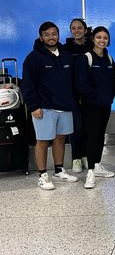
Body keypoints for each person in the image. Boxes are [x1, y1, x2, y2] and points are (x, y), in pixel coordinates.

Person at [22, 21, 79, 190]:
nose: (51, 37)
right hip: (44, 107)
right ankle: (42, 174)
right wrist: (34, 106)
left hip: (64, 106)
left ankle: (59, 170)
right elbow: (27, 84)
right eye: (46, 34)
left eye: (54, 34)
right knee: (42, 141)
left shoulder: (66, 55)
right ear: (41, 37)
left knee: (60, 138)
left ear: (58, 35)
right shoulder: (33, 58)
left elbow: (73, 81)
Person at [75, 26, 115, 189]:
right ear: (93, 39)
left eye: (105, 38)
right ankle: (91, 172)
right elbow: (81, 84)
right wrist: (95, 97)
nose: (102, 40)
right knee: (93, 135)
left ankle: (98, 164)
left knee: (101, 135)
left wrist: (112, 95)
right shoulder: (85, 58)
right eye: (99, 37)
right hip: (91, 106)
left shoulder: (109, 59)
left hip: (105, 105)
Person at [64, 18, 92, 173]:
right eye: (73, 28)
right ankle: (76, 158)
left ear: (85, 30)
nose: (77, 31)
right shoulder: (66, 49)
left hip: (89, 94)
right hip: (72, 94)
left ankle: (86, 156)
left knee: (88, 126)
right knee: (76, 127)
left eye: (80, 28)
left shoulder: (92, 46)